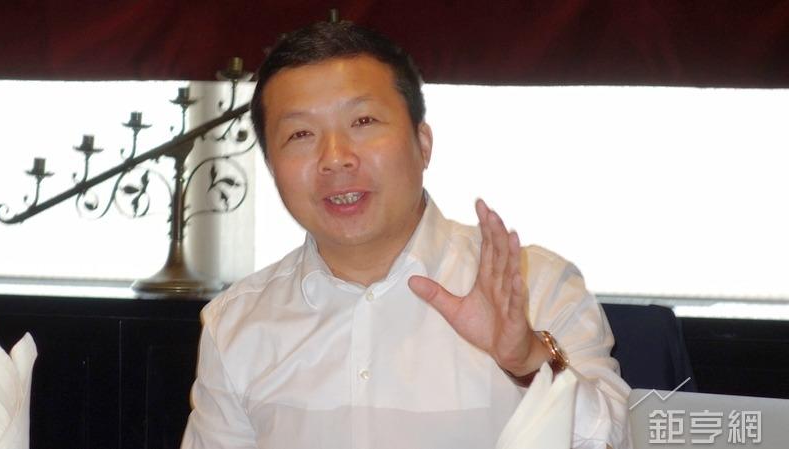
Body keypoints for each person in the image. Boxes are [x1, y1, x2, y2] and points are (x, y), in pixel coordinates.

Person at [181, 20, 630, 449]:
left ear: (423, 144)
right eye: (300, 133)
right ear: (272, 168)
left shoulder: (535, 285)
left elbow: (617, 439)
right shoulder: (237, 324)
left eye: (363, 122)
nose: (335, 158)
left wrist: (527, 360)